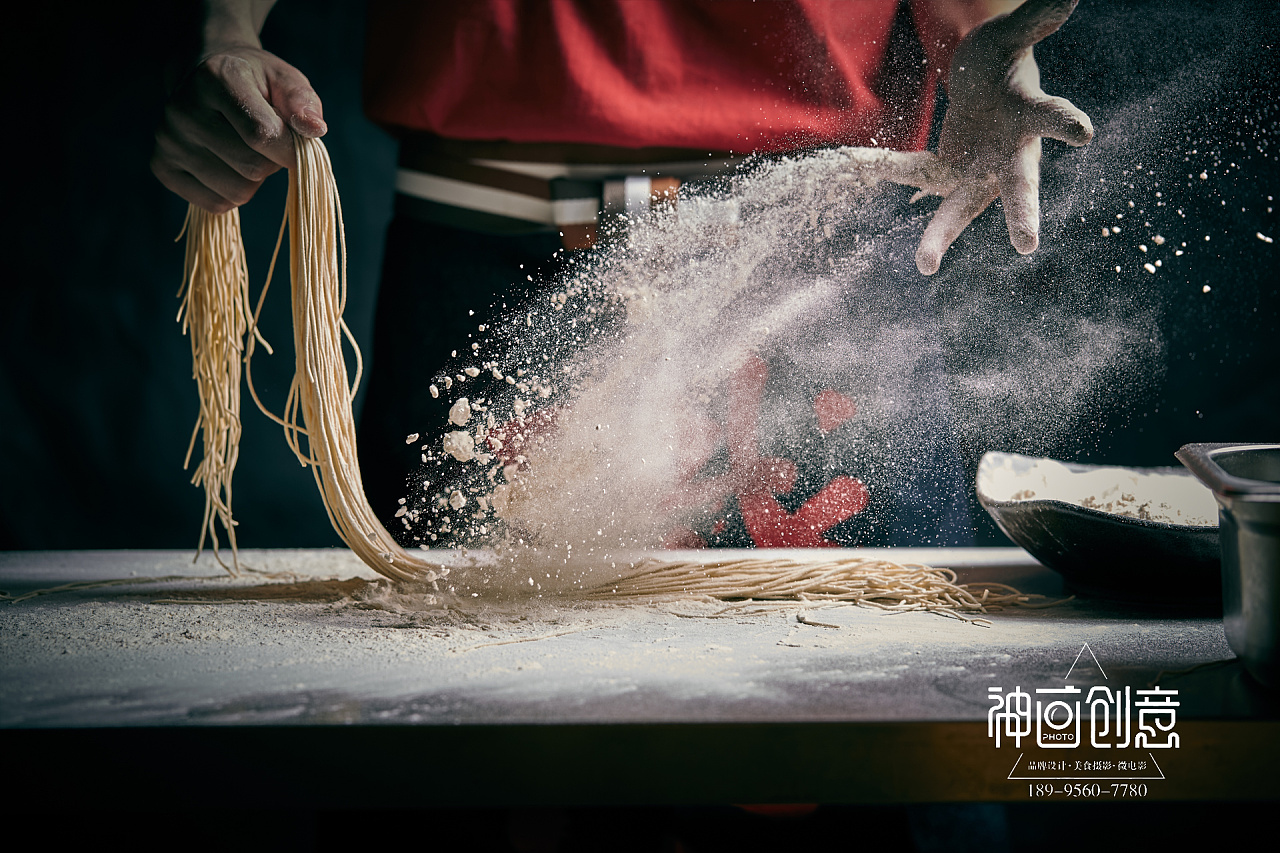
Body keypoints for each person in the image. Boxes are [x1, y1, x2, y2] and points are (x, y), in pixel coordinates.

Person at [151, 0, 1093, 544]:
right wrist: (227, 27)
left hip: (816, 271)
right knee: (459, 749)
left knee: (870, 747)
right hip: (483, 262)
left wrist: (986, 28)